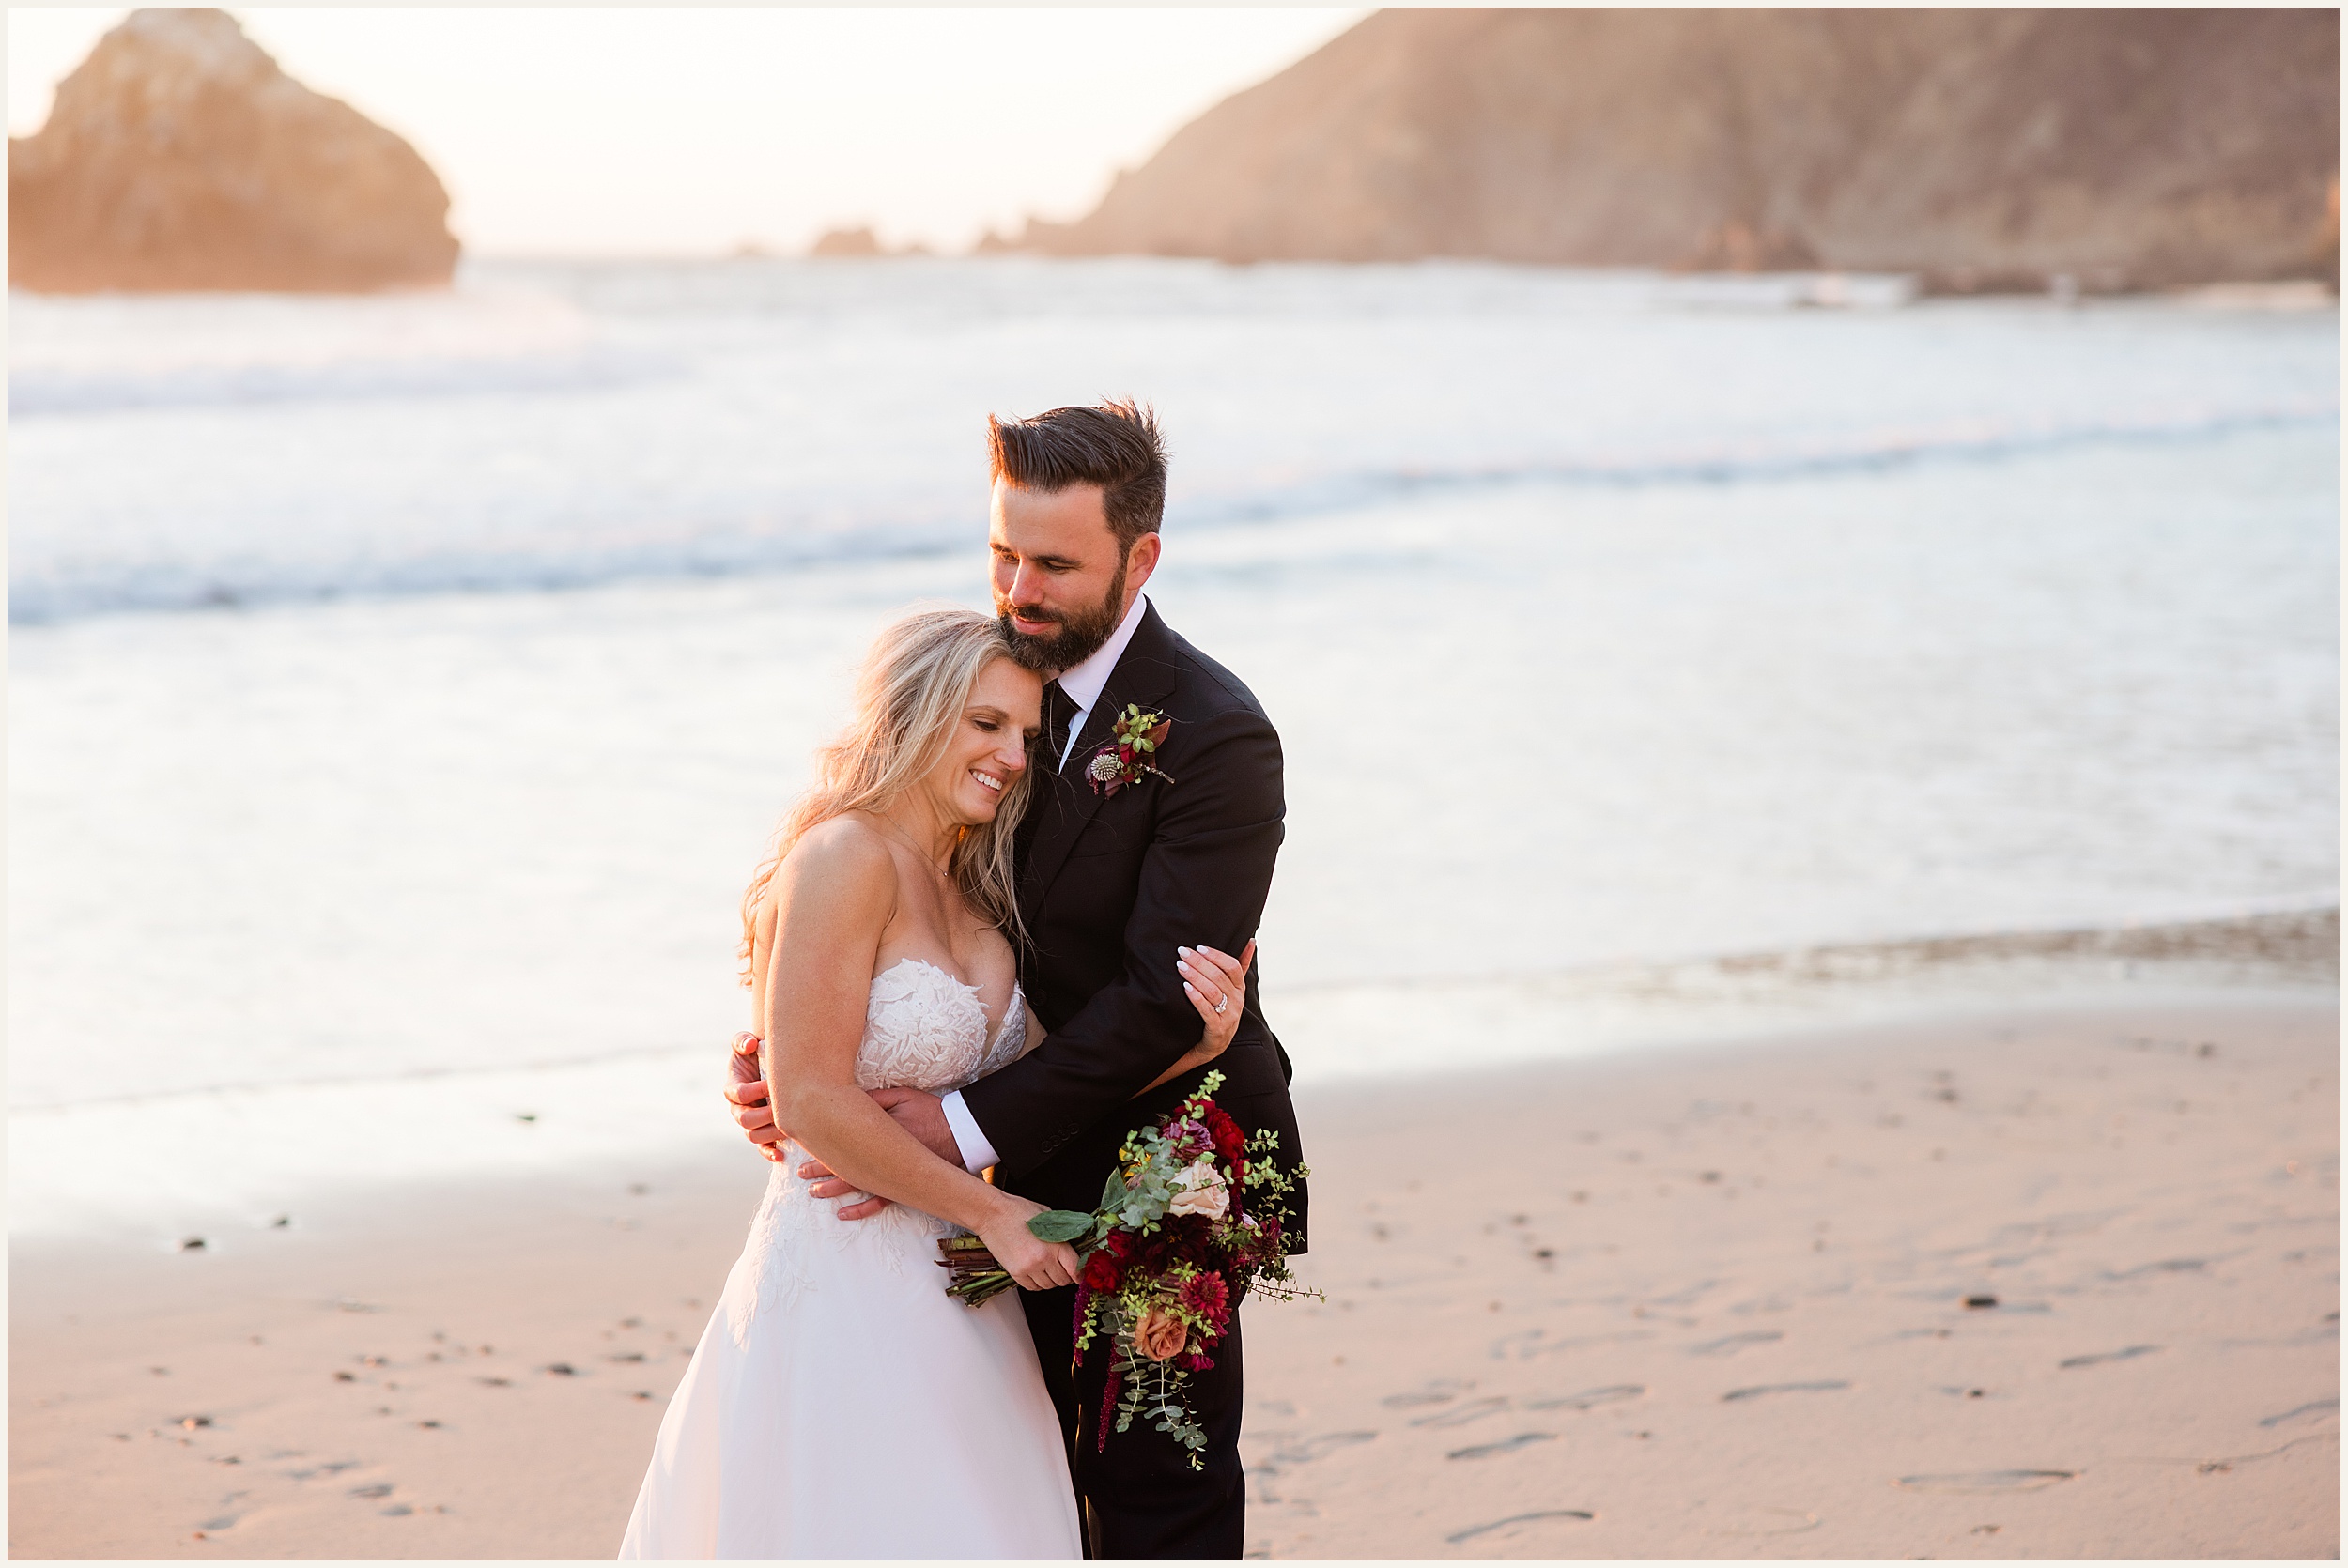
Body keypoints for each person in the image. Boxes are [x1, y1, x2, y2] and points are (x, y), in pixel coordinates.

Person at [726, 401, 1307, 1559]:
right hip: (990, 1181)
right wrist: (793, 1062)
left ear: (1138, 557)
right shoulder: (985, 689)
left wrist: (944, 1124)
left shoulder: (1215, 734)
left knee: (1153, 1486)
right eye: (1002, 551)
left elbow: (1162, 1001)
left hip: (1165, 1158)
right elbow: (888, 889)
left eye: (1053, 563)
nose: (1019, 587)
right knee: (1014, 1489)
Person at [619, 607, 1254, 1559]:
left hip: (965, 1298)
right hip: (844, 1279)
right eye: (984, 722)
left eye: (1027, 735)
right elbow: (811, 1100)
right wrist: (996, 1213)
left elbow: (1051, 1069)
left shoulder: (981, 894)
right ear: (913, 711)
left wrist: (1202, 1044)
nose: (1009, 755)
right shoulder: (842, 854)